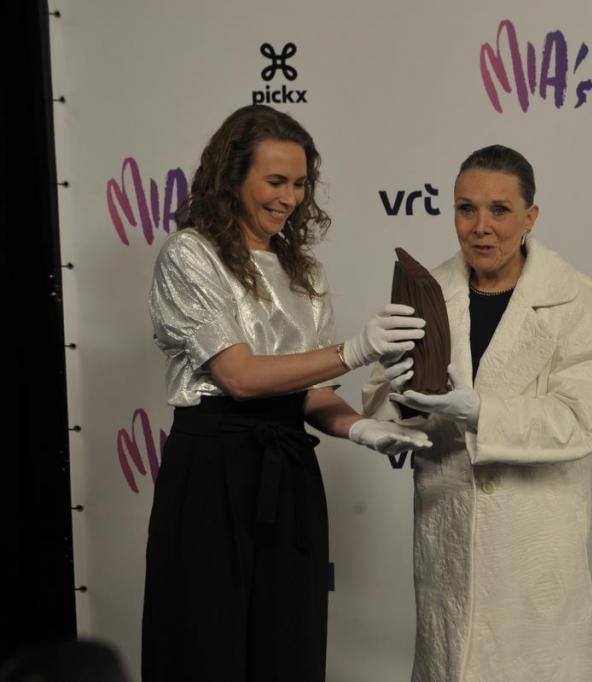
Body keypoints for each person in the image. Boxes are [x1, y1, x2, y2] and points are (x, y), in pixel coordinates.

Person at [143, 104, 431, 682]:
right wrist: (355, 350)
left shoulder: (305, 272)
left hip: (289, 472)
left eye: (300, 184)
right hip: (212, 473)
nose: (290, 198)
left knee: (289, 646)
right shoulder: (190, 255)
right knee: (204, 645)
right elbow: (239, 376)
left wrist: (363, 428)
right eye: (275, 181)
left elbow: (311, 393)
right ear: (232, 178)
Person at [363, 145, 592, 681]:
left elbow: (580, 421)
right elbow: (382, 409)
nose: (480, 226)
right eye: (466, 209)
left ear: (530, 217)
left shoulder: (579, 304)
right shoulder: (427, 294)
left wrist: (483, 412)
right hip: (448, 544)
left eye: (500, 210)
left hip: (534, 554)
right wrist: (394, 389)